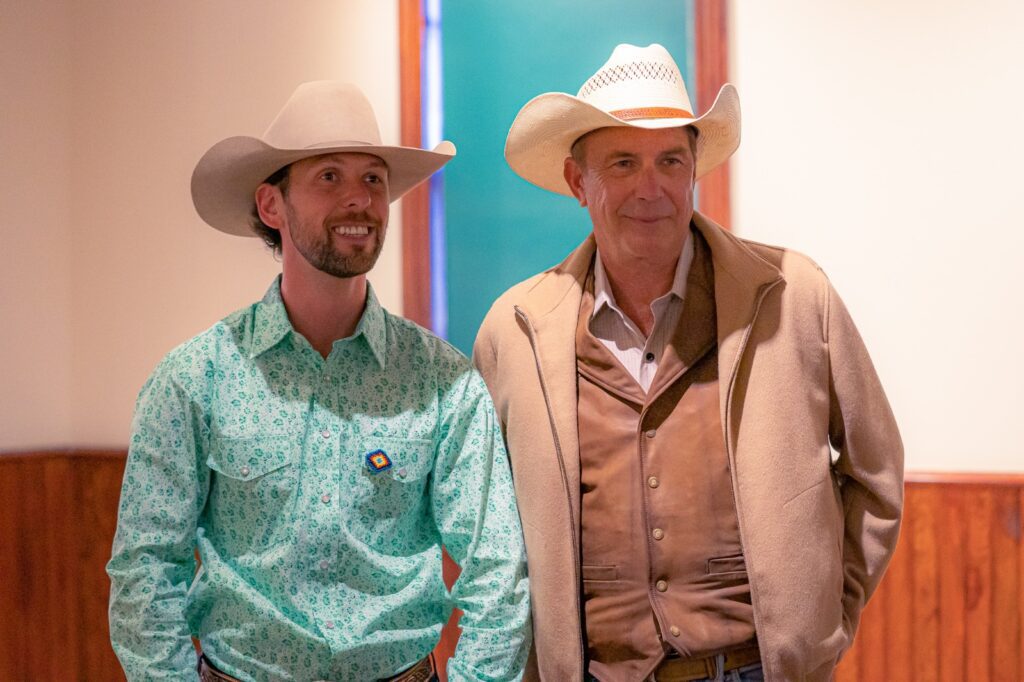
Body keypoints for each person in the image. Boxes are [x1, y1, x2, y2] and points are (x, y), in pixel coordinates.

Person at [473, 44, 903, 682]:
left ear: (694, 168)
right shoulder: (514, 334)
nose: (651, 189)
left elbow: (877, 475)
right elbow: (489, 533)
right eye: (623, 162)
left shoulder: (794, 296)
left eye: (670, 160)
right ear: (577, 182)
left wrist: (819, 629)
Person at [107, 81, 530, 682]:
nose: (358, 200)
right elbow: (145, 572)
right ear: (272, 206)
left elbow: (498, 573)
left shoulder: (442, 383)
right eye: (329, 177)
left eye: (372, 180)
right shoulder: (193, 381)